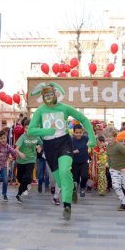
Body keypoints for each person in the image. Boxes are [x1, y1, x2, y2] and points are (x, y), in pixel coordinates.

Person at [27, 83, 96, 220]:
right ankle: (71, 190)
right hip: (49, 146)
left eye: (50, 94)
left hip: (64, 142)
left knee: (65, 171)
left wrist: (92, 138)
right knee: (59, 180)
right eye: (45, 95)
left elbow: (83, 119)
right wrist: (47, 131)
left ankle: (67, 206)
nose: (48, 97)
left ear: (56, 94)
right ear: (42, 97)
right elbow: (30, 130)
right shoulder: (40, 111)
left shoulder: (64, 108)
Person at [104, 127, 125, 211]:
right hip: (113, 169)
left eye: (110, 137)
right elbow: (108, 155)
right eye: (107, 137)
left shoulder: (119, 146)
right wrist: (108, 163)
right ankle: (124, 203)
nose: (108, 139)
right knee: (116, 186)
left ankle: (124, 191)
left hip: (124, 169)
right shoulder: (107, 146)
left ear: (115, 137)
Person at [15, 119, 43, 204]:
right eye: (26, 128)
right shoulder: (22, 137)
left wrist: (39, 148)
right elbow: (16, 148)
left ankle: (18, 194)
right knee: (19, 178)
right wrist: (20, 153)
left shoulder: (37, 137)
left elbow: (41, 143)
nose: (28, 130)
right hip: (21, 161)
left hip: (31, 160)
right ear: (24, 128)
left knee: (28, 177)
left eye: (30, 128)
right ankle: (25, 186)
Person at [0, 130, 16, 202]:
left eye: (4, 138)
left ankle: (4, 194)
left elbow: (13, 151)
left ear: (6, 138)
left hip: (3, 166)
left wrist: (15, 155)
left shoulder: (7, 146)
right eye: (1, 138)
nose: (3, 140)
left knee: (5, 181)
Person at [71, 124, 90, 198]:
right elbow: (68, 150)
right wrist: (73, 152)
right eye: (77, 132)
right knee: (75, 179)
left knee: (85, 176)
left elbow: (92, 143)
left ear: (83, 132)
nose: (78, 134)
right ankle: (75, 192)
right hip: (75, 162)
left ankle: (82, 187)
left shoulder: (86, 138)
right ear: (74, 133)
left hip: (84, 161)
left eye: (80, 132)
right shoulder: (71, 140)